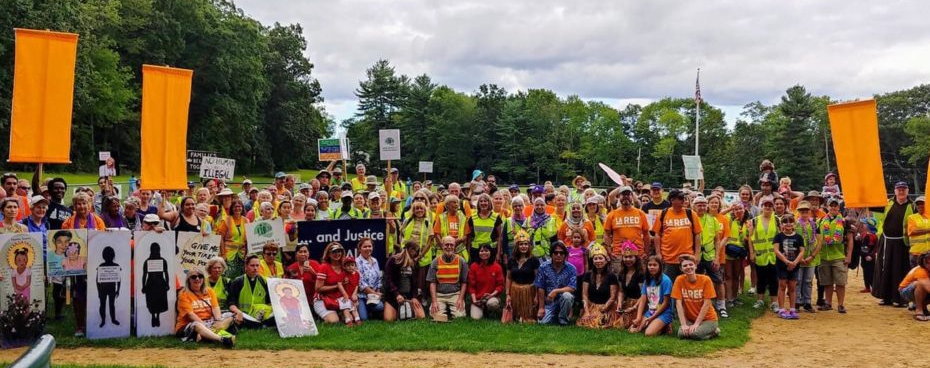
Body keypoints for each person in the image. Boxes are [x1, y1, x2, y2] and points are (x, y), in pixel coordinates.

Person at [175, 268, 235, 347]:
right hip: (189, 324)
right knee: (196, 325)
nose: (197, 279)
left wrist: (218, 321)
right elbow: (191, 315)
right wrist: (205, 326)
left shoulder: (210, 291)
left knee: (230, 316)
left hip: (209, 321)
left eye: (200, 276)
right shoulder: (183, 294)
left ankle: (204, 335)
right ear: (188, 280)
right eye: (193, 277)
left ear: (203, 279)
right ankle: (222, 339)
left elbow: (215, 308)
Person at [651, 189, 702, 280]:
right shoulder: (663, 214)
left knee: (687, 283)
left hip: (687, 257)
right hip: (668, 258)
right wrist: (658, 253)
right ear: (672, 200)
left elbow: (697, 234)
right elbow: (657, 235)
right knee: (669, 284)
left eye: (683, 198)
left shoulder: (691, 213)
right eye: (680, 198)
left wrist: (697, 254)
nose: (683, 201)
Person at [692, 195, 727, 317]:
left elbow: (717, 240)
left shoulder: (713, 220)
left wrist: (717, 257)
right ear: (694, 206)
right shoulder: (691, 218)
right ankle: (698, 305)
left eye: (703, 205)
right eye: (698, 205)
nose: (701, 207)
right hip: (695, 256)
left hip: (710, 254)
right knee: (697, 280)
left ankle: (721, 305)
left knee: (718, 280)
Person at [818, 197, 855, 313]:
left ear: (839, 207)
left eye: (835, 205)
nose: (833, 207)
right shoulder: (821, 221)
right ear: (827, 207)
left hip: (839, 256)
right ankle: (828, 303)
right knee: (827, 282)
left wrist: (849, 256)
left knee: (840, 282)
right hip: (824, 256)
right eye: (831, 205)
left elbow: (850, 240)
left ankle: (840, 304)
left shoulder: (844, 222)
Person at [672, 254, 720, 340]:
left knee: (695, 334)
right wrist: (684, 324)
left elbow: (707, 304)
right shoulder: (679, 280)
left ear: (696, 266)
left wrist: (697, 324)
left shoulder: (706, 280)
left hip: (708, 319)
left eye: (691, 264)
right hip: (690, 320)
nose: (688, 267)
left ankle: (714, 331)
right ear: (681, 269)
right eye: (685, 265)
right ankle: (698, 330)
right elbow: (678, 304)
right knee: (681, 334)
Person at [603, 186, 650, 272]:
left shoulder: (640, 213)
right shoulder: (612, 214)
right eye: (623, 195)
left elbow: (646, 234)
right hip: (619, 254)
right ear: (619, 197)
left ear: (632, 196)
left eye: (628, 194)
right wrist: (609, 251)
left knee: (639, 281)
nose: (626, 197)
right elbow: (607, 234)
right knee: (619, 281)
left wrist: (646, 252)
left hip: (638, 254)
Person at [629, 255, 674, 336]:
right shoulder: (647, 280)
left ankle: (665, 324)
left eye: (655, 265)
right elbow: (643, 299)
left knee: (648, 333)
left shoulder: (666, 280)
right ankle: (658, 325)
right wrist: (639, 317)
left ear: (660, 266)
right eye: (650, 265)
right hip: (651, 311)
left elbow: (666, 303)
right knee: (632, 329)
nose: (652, 267)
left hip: (663, 312)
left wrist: (652, 318)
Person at [576, 247, 620, 329]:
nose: (598, 261)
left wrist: (603, 310)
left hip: (606, 307)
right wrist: (587, 312)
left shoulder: (611, 276)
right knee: (587, 321)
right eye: (595, 259)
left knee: (601, 321)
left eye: (600, 258)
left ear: (606, 261)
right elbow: (584, 295)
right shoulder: (588, 275)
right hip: (592, 306)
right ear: (592, 261)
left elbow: (613, 297)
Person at [534, 242, 577, 325]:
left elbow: (572, 287)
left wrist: (555, 291)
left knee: (567, 296)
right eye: (556, 253)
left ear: (565, 255)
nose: (558, 255)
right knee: (542, 322)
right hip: (549, 302)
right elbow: (540, 287)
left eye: (561, 253)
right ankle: (555, 315)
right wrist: (541, 308)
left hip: (564, 300)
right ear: (551, 254)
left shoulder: (571, 268)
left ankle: (563, 320)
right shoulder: (543, 267)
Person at [427, 236, 469, 322]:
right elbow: (432, 282)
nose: (449, 247)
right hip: (439, 295)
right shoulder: (435, 261)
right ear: (442, 246)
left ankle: (450, 311)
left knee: (460, 316)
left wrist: (460, 299)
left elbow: (464, 282)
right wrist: (434, 301)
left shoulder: (461, 261)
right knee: (434, 315)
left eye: (451, 245)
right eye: (446, 245)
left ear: (454, 246)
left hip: (455, 294)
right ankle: (444, 310)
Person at [226, 255, 274, 328]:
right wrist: (238, 312)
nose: (255, 268)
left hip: (261, 313)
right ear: (246, 266)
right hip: (244, 314)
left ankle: (261, 323)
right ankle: (262, 324)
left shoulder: (264, 281)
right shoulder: (238, 281)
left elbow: (270, 302)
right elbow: (231, 303)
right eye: (252, 265)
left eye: (257, 265)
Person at [383, 241, 425, 321]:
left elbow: (415, 284)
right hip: (394, 297)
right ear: (409, 249)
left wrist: (414, 297)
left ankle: (405, 311)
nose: (416, 253)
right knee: (389, 319)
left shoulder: (415, 263)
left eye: (417, 251)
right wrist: (397, 294)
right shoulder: (393, 260)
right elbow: (388, 280)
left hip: (408, 296)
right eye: (415, 251)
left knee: (421, 316)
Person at [773, 213, 805, 319]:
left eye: (790, 221)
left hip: (794, 265)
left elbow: (801, 251)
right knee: (782, 286)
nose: (788, 224)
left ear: (794, 224)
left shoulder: (798, 237)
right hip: (782, 265)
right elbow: (776, 250)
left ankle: (792, 309)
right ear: (781, 224)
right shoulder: (778, 236)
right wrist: (787, 262)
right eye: (785, 221)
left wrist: (795, 262)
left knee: (792, 287)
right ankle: (781, 309)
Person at [505, 230, 540, 323]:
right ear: (517, 246)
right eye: (521, 244)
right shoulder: (511, 260)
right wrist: (508, 294)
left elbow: (538, 279)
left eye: (525, 244)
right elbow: (508, 278)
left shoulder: (534, 260)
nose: (523, 246)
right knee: (515, 318)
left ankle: (526, 315)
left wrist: (536, 295)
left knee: (528, 320)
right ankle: (517, 315)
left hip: (529, 290)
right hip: (515, 289)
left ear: (529, 246)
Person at [795, 201, 821, 313]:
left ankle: (807, 302)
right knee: (798, 280)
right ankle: (797, 301)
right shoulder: (795, 225)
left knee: (808, 280)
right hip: (798, 257)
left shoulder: (814, 224)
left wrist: (812, 256)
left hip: (811, 258)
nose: (804, 214)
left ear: (809, 212)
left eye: (806, 211)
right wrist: (799, 257)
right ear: (799, 212)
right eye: (802, 211)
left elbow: (819, 241)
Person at [314, 242, 350, 324]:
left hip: (338, 299)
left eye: (339, 251)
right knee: (334, 321)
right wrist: (337, 286)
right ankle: (321, 319)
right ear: (328, 254)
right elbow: (318, 288)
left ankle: (339, 313)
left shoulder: (344, 267)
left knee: (350, 319)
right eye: (334, 252)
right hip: (323, 299)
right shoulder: (324, 267)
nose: (337, 254)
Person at [467, 244, 504, 320]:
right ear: (478, 253)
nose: (484, 253)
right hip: (478, 299)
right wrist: (474, 300)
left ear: (491, 252)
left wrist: (491, 295)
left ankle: (491, 312)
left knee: (492, 304)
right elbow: (471, 286)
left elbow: (500, 286)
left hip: (492, 297)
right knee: (475, 318)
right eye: (481, 251)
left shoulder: (497, 267)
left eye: (486, 251)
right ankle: (481, 309)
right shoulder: (473, 266)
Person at [465, 193, 504, 263]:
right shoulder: (472, 217)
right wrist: (468, 252)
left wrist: (498, 254)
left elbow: (499, 237)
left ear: (489, 203)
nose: (483, 203)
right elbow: (469, 237)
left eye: (485, 201)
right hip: (475, 251)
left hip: (491, 250)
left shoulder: (496, 217)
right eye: (481, 201)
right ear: (478, 204)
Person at [216, 199, 248, 278]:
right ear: (232, 208)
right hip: (228, 254)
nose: (237, 208)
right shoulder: (226, 220)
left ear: (242, 208)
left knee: (241, 276)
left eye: (239, 206)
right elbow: (220, 238)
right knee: (228, 275)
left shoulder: (246, 220)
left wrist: (247, 253)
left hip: (242, 254)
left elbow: (249, 239)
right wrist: (223, 254)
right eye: (235, 207)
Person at [615, 241, 644, 329]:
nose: (628, 260)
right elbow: (621, 291)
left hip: (639, 304)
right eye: (625, 257)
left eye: (631, 257)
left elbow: (643, 295)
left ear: (636, 258)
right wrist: (619, 302)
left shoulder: (640, 273)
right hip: (627, 302)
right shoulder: (621, 273)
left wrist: (634, 307)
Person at [356, 237, 384, 320]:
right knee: (364, 318)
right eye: (365, 247)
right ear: (360, 249)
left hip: (373, 295)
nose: (368, 248)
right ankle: (363, 308)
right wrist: (374, 293)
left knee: (380, 307)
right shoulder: (357, 262)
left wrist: (377, 293)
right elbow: (361, 283)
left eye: (369, 246)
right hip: (362, 295)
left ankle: (371, 310)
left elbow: (379, 278)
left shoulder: (375, 260)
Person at [95, 246, 123, 328]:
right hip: (105, 289)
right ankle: (103, 320)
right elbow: (97, 280)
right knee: (105, 305)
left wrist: (118, 290)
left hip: (110, 289)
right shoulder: (102, 266)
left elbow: (118, 279)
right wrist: (99, 291)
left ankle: (112, 319)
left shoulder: (113, 266)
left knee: (110, 305)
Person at [899, 252, 930, 321]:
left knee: (922, 284)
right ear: (924, 263)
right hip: (905, 291)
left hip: (921, 289)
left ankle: (924, 308)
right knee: (919, 284)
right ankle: (919, 310)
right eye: (928, 263)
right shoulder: (921, 271)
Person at [337, 256, 362, 325]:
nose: (350, 267)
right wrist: (345, 294)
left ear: (355, 266)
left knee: (354, 307)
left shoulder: (357, 274)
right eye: (348, 265)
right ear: (344, 267)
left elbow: (357, 285)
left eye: (352, 265)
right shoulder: (343, 274)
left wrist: (354, 294)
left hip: (352, 295)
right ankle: (348, 321)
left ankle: (357, 319)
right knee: (346, 308)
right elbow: (339, 284)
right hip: (343, 296)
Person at [906, 196, 929, 267]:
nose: (920, 206)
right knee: (917, 276)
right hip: (916, 253)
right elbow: (912, 232)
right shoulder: (912, 217)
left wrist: (920, 230)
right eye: (918, 204)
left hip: (928, 253)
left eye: (922, 203)